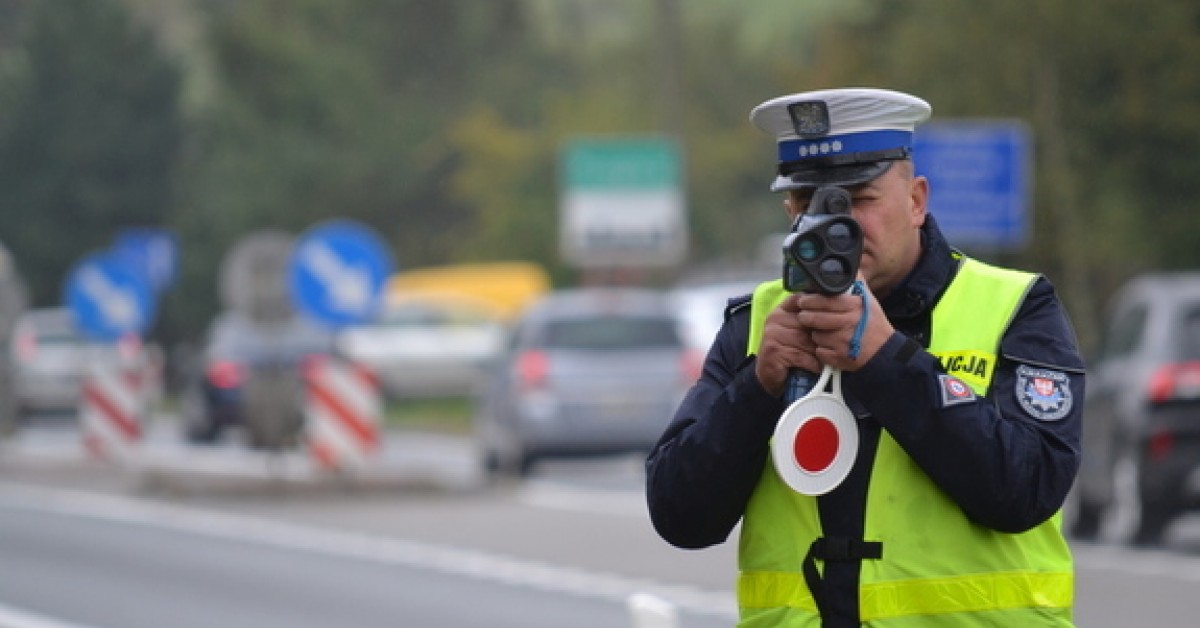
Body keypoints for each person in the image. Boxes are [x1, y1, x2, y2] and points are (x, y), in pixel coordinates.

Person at [645, 88, 1085, 627]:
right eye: (811, 205)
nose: (837, 227)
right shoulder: (756, 323)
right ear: (789, 211)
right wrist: (757, 388)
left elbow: (1027, 488)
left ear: (916, 200)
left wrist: (887, 360)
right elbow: (680, 518)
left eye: (859, 199)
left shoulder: (1014, 306)